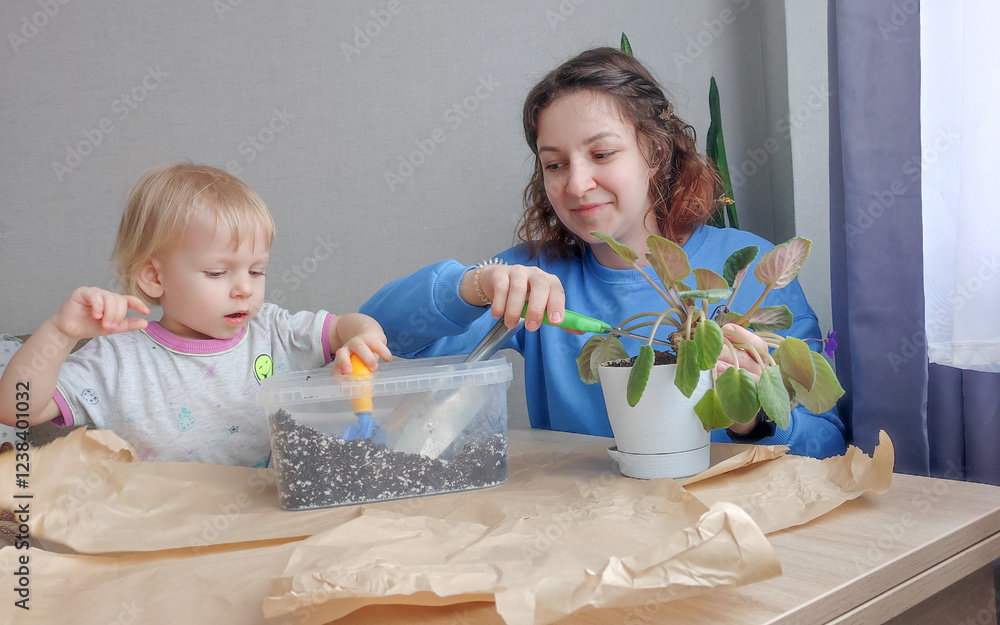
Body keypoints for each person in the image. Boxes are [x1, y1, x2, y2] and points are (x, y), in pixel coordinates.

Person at [361, 47, 845, 459]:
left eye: (601, 154)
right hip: (586, 538)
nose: (575, 184)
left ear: (655, 153)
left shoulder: (748, 268)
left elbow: (827, 442)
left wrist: (754, 417)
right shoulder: (537, 277)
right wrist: (471, 285)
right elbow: (376, 341)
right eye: (554, 164)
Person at [0, 164, 391, 466]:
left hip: (267, 521)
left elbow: (345, 326)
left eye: (256, 271)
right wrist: (60, 332)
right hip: (163, 532)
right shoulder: (117, 359)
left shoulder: (274, 330)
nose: (245, 288)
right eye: (218, 273)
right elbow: (19, 409)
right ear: (155, 277)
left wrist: (364, 337)